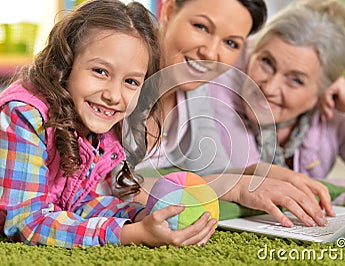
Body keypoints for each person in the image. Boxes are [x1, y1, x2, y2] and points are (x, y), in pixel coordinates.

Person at [0, 0, 216, 248]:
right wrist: (130, 235)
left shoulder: (101, 128)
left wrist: (138, 216)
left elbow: (75, 203)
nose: (114, 95)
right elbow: (27, 222)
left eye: (131, 82)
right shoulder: (24, 116)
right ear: (66, 65)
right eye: (101, 71)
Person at [133, 0, 334, 228]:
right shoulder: (123, 69)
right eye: (201, 27)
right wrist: (234, 187)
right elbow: (100, 186)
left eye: (230, 43)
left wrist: (261, 173)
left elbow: (214, 170)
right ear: (168, 11)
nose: (210, 53)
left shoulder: (194, 87)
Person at [232, 0, 345, 205]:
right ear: (253, 52)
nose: (269, 88)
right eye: (266, 62)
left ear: (320, 92)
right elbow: (238, 175)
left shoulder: (331, 117)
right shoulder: (227, 86)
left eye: (296, 80)